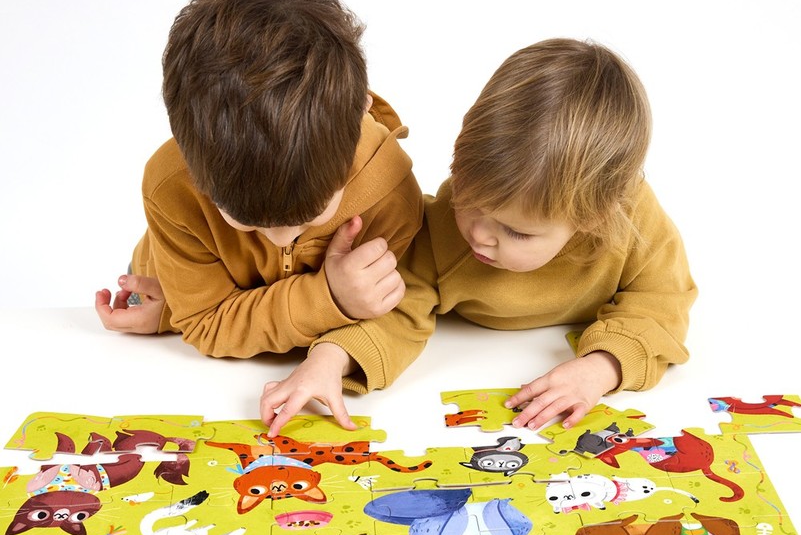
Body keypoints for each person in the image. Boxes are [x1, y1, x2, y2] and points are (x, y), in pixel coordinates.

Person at [259, 38, 697, 436]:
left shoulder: (632, 222)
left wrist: (602, 368)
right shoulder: (442, 229)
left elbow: (662, 301)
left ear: (594, 218)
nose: (480, 236)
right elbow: (399, 304)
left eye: (516, 231)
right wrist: (329, 359)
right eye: (469, 199)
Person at [95, 0, 423, 358]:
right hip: (165, 282)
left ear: (360, 115)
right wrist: (328, 296)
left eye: (310, 215)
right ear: (185, 148)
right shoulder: (169, 186)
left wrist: (214, 317)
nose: (281, 240)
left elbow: (391, 313)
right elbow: (205, 322)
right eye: (245, 220)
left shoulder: (391, 190)